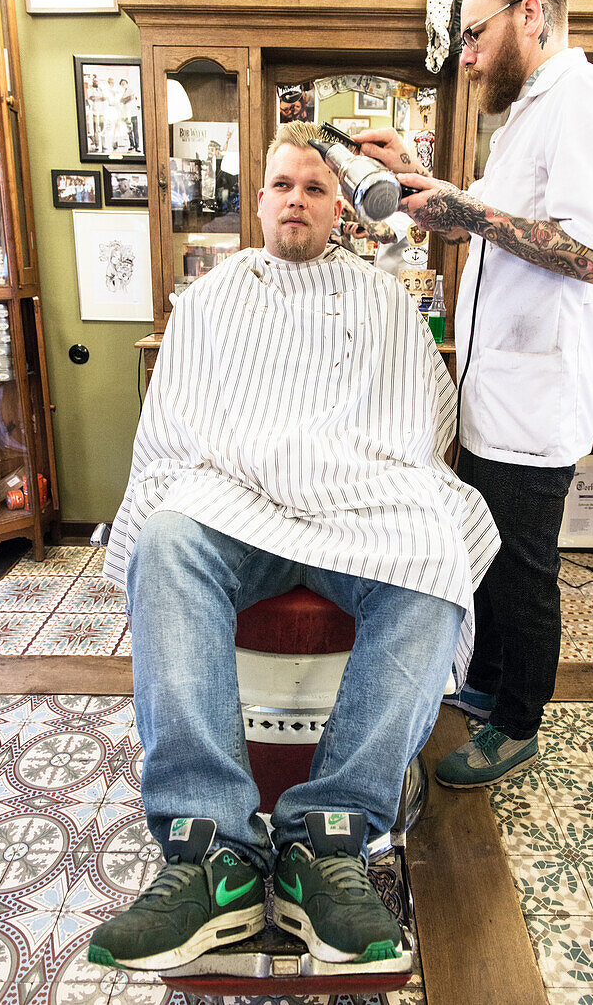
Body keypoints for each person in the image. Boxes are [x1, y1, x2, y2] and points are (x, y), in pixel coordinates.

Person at [89, 120, 499, 973]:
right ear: (259, 196)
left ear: (340, 205)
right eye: (283, 186)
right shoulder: (212, 297)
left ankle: (328, 835)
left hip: (362, 503)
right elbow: (175, 432)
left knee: (434, 561)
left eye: (316, 188)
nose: (297, 201)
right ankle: (212, 851)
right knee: (167, 541)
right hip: (238, 502)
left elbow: (417, 425)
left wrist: (353, 469)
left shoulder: (384, 300)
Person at [355, 0, 593, 787]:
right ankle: (486, 685)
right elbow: (495, 228)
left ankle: (519, 723)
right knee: (488, 552)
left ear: (531, 14)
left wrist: (466, 212)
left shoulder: (584, 101)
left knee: (523, 570)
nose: (468, 57)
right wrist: (421, 183)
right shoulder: (528, 115)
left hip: (535, 395)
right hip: (496, 390)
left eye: (474, 36)